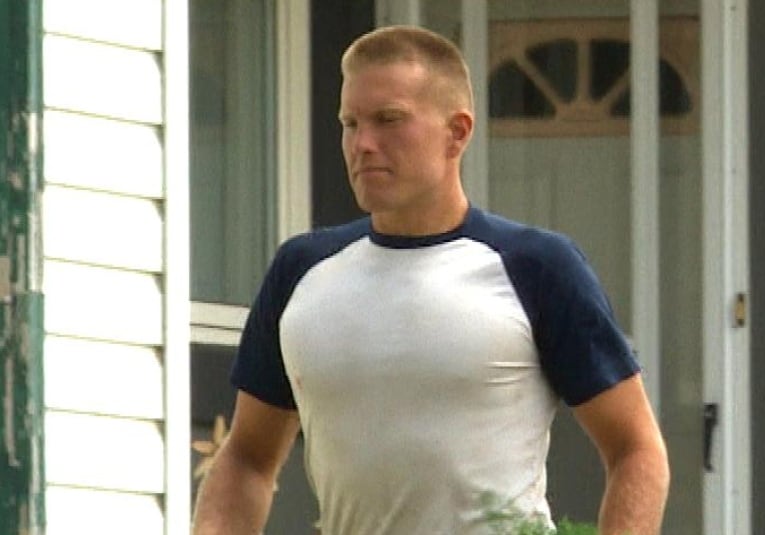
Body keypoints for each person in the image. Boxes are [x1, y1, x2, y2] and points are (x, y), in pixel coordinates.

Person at [191, 25, 669, 535]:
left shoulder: (536, 267)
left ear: (458, 132)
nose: (363, 144)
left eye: (389, 120)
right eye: (350, 123)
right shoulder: (301, 271)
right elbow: (246, 459)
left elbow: (637, 450)